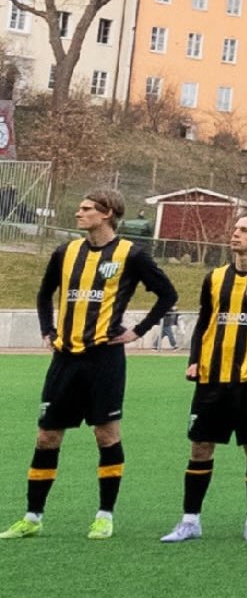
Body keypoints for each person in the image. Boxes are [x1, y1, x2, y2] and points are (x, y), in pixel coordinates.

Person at [0, 189, 178, 541]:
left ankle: (104, 516)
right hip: (65, 359)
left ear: (107, 213)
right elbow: (44, 293)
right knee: (47, 435)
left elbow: (168, 294)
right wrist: (48, 330)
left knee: (106, 434)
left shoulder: (131, 254)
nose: (78, 214)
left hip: (104, 358)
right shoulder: (65, 252)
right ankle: (32, 517)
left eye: (86, 209)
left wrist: (137, 331)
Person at [159, 211, 247, 544]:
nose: (235, 234)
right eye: (235, 229)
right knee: (200, 447)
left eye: (244, 230)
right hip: (212, 378)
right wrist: (194, 361)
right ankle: (190, 520)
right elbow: (205, 322)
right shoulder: (216, 277)